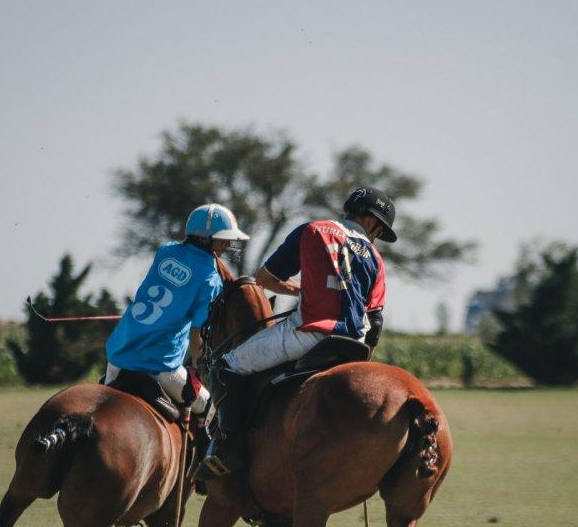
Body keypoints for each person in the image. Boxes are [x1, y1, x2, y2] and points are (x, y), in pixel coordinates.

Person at [198, 186, 396, 478]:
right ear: (371, 222)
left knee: (226, 365)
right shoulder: (376, 259)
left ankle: (230, 449)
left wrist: (301, 289)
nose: (376, 236)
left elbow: (264, 279)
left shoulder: (313, 230)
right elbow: (374, 321)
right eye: (379, 230)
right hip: (354, 344)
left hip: (310, 334)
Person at [103, 203, 249, 416]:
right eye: (222, 237)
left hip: (118, 353)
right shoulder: (210, 279)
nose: (228, 243)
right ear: (204, 238)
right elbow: (196, 338)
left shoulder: (165, 251)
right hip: (159, 363)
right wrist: (201, 370)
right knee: (211, 412)